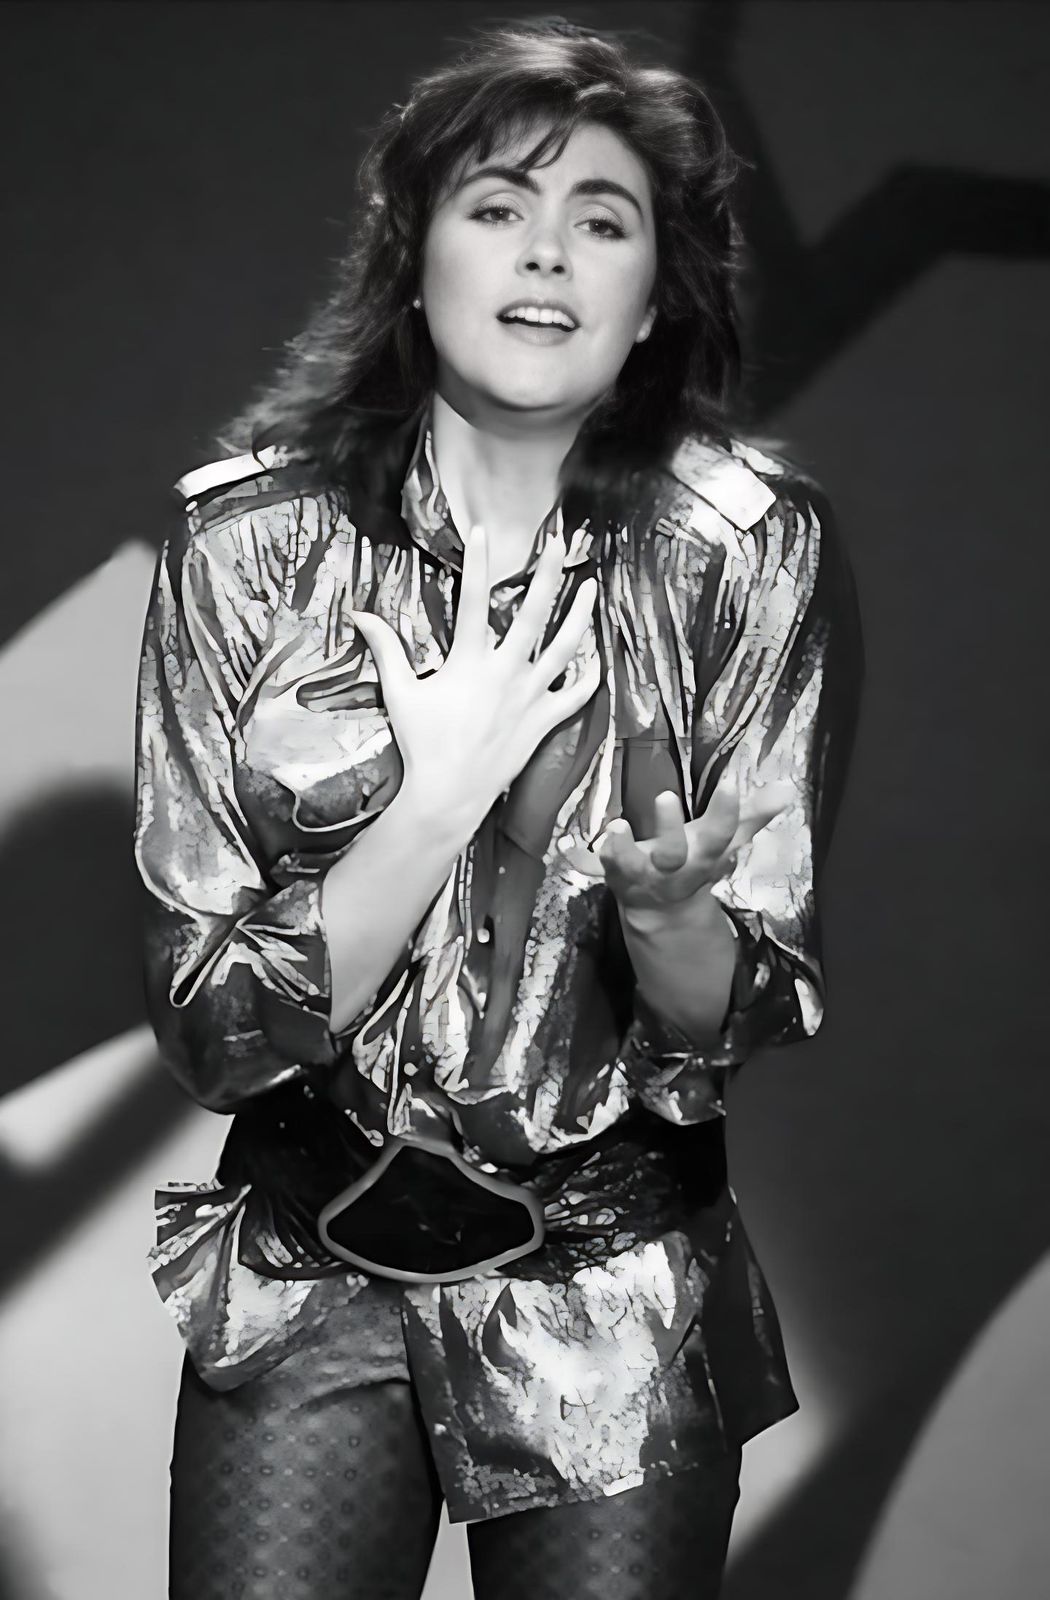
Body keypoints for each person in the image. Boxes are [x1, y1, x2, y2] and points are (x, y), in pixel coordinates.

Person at [133, 16, 863, 1600]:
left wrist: (667, 915)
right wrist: (438, 795)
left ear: (653, 295)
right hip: (312, 1256)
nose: (546, 252)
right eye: (496, 206)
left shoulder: (745, 552)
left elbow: (740, 1010)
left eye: (600, 220)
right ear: (413, 258)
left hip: (612, 1273)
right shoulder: (246, 548)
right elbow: (214, 1035)